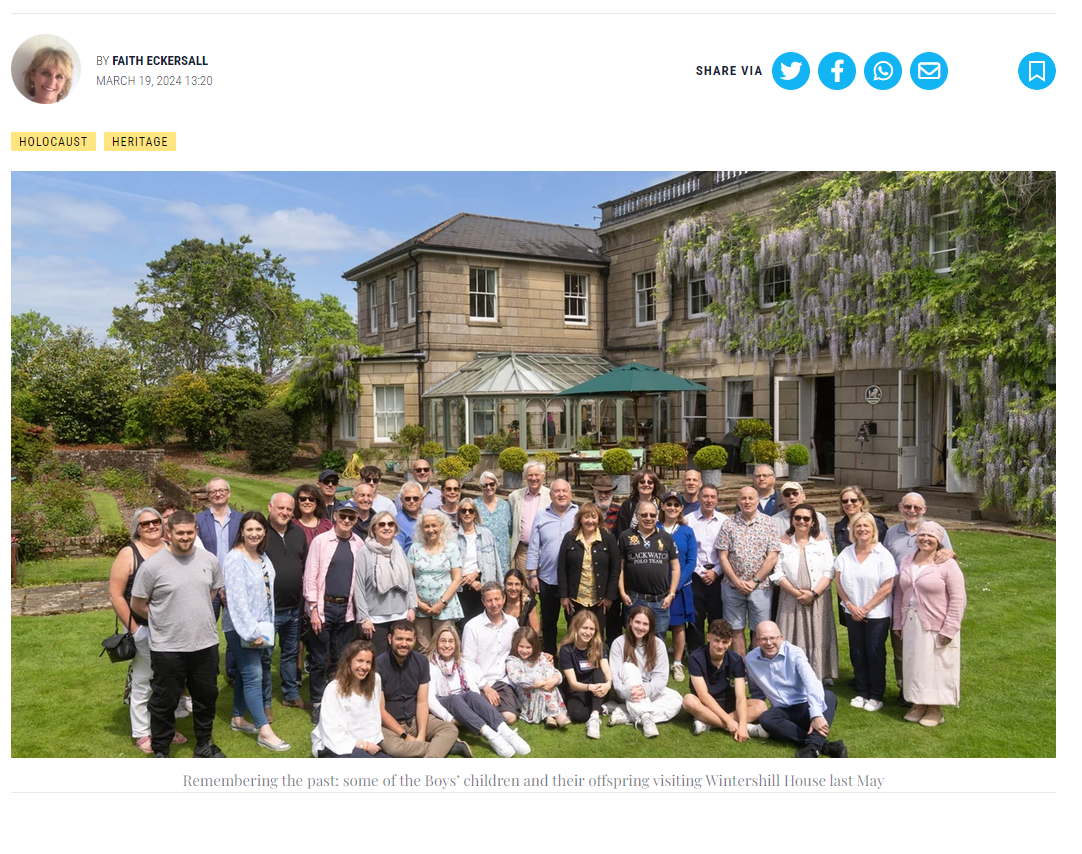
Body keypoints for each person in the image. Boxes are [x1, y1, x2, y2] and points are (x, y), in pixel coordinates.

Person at [129, 510, 226, 758]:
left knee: (206, 698)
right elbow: (137, 603)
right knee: (164, 701)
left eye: (189, 532)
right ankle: (161, 749)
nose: (185, 537)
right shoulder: (153, 567)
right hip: (168, 647)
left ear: (196, 531)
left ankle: (204, 745)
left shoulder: (209, 560)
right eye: (179, 533)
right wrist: (165, 615)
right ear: (168, 533)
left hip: (204, 644)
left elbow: (210, 595)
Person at [108, 507, 177, 754]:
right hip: (144, 628)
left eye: (155, 521)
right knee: (144, 680)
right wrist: (136, 630)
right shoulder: (129, 553)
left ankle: (164, 728)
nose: (151, 526)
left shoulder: (171, 548)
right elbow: (116, 596)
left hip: (173, 629)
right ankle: (141, 731)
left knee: (169, 682)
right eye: (144, 523)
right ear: (137, 528)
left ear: (162, 524)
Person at [221, 511, 290, 751]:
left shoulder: (261, 557)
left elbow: (266, 595)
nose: (254, 533)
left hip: (261, 628)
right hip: (242, 629)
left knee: (245, 674)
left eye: (259, 529)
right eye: (250, 529)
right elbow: (237, 601)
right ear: (242, 531)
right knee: (253, 676)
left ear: (264, 532)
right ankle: (264, 730)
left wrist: (265, 628)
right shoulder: (235, 558)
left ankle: (238, 718)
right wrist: (251, 632)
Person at [882, 492, 957, 705]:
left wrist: (951, 554)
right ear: (900, 507)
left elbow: (948, 554)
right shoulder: (892, 533)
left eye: (916, 507)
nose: (912, 511)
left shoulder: (933, 531)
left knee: (926, 650)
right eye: (907, 507)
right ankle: (905, 688)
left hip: (929, 601)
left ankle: (928, 695)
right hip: (900, 598)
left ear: (924, 509)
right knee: (901, 649)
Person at [893, 521, 967, 727]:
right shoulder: (908, 560)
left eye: (931, 536)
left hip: (936, 623)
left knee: (935, 665)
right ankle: (919, 703)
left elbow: (958, 598)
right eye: (922, 535)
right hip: (910, 621)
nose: (925, 539)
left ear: (939, 541)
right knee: (915, 664)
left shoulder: (947, 564)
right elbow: (900, 593)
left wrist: (950, 628)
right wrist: (898, 622)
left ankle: (935, 709)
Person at [743, 621, 847, 758]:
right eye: (763, 639)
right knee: (766, 718)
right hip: (783, 712)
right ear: (757, 640)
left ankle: (812, 748)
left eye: (772, 638)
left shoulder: (795, 653)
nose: (768, 643)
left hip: (806, 707)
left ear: (780, 638)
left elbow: (811, 681)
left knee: (829, 697)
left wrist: (816, 714)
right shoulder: (751, 660)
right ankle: (823, 746)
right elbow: (756, 690)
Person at [425, 625, 531, 757]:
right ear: (436, 643)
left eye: (451, 641)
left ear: (456, 644)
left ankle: (505, 731)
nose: (447, 645)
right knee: (455, 698)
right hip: (446, 703)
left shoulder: (462, 662)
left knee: (471, 694)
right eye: (443, 641)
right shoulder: (430, 665)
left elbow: (474, 686)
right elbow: (429, 699)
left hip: (464, 702)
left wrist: (480, 701)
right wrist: (450, 718)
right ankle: (491, 735)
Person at [305, 500, 364, 724]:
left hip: (346, 609)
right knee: (319, 659)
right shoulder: (321, 541)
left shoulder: (359, 543)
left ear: (356, 520)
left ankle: (337, 699)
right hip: (323, 607)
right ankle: (318, 703)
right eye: (343, 516)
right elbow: (311, 576)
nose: (347, 521)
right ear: (336, 517)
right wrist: (313, 610)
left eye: (352, 517)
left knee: (341, 659)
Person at [834, 512, 898, 713]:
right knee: (858, 653)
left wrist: (866, 608)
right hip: (852, 612)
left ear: (873, 530)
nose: (862, 529)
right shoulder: (846, 554)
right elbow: (838, 582)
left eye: (866, 526)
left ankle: (876, 695)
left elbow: (887, 586)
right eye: (858, 526)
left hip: (876, 614)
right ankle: (862, 691)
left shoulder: (882, 554)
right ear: (853, 530)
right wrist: (850, 606)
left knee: (875, 653)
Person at [376, 621, 466, 758]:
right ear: (390, 639)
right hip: (389, 725)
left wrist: (421, 735)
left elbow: (422, 702)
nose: (404, 643)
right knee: (394, 748)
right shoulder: (378, 664)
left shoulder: (422, 662)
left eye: (408, 639)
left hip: (414, 720)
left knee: (450, 729)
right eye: (399, 638)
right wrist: (405, 736)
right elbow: (380, 710)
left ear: (414, 640)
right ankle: (443, 747)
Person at [771, 503, 839, 683]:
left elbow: (829, 571)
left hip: (818, 598)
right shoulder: (783, 544)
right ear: (792, 520)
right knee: (792, 634)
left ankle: (821, 672)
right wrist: (796, 593)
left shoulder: (823, 543)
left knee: (818, 634)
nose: (802, 521)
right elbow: (777, 573)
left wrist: (814, 593)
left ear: (813, 522)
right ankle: (791, 672)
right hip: (790, 597)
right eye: (798, 518)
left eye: (806, 518)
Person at [716, 486, 781, 656]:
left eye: (751, 498)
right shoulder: (728, 524)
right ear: (738, 501)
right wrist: (736, 581)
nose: (747, 502)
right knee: (735, 629)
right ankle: (740, 669)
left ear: (757, 501)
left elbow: (772, 557)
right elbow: (723, 556)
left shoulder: (769, 523)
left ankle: (755, 669)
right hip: (732, 587)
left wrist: (754, 581)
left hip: (761, 587)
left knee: (760, 631)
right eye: (743, 498)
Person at [265, 492, 311, 711]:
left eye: (289, 509)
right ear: (270, 507)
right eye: (280, 508)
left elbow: (303, 565)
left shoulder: (298, 534)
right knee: (264, 657)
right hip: (268, 609)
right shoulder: (260, 532)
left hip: (294, 608)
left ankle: (290, 694)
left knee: (290, 653)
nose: (284, 512)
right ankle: (264, 701)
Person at [607, 605, 682, 737]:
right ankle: (646, 718)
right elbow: (616, 680)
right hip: (628, 693)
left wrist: (645, 690)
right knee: (629, 667)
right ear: (630, 622)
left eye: (645, 624)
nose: (640, 627)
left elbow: (661, 678)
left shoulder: (658, 644)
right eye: (637, 622)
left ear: (651, 626)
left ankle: (628, 716)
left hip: (648, 691)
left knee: (677, 700)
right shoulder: (619, 643)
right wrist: (629, 692)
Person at [525, 479, 578, 656]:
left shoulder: (578, 514)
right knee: (548, 622)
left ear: (571, 494)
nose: (561, 494)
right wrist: (532, 574)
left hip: (573, 580)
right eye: (557, 491)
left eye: (564, 491)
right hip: (548, 578)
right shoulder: (541, 516)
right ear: (550, 495)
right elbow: (533, 546)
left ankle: (572, 658)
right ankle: (549, 658)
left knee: (574, 621)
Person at [353, 510, 417, 656]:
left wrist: (412, 607)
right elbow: (359, 587)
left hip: (400, 615)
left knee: (399, 658)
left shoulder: (399, 550)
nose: (386, 527)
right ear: (374, 528)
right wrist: (364, 618)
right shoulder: (365, 552)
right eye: (381, 524)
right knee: (379, 659)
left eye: (390, 524)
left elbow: (409, 581)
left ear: (395, 528)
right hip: (375, 619)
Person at [311, 640, 390, 758]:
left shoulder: (375, 680)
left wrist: (370, 743)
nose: (364, 667)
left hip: (367, 742)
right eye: (360, 661)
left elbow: (373, 715)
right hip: (335, 745)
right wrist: (365, 746)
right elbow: (333, 732)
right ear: (349, 662)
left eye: (368, 662)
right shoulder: (334, 689)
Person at [618, 501, 681, 639]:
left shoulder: (666, 538)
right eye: (644, 515)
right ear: (637, 515)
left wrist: (671, 594)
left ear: (657, 516)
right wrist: (622, 593)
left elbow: (676, 568)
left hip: (660, 600)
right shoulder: (625, 536)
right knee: (633, 638)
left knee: (658, 638)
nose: (648, 518)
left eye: (652, 515)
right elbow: (620, 568)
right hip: (634, 599)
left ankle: (655, 662)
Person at [461, 582, 521, 724]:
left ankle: (485, 714)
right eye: (489, 600)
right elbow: (467, 663)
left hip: (503, 681)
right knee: (488, 712)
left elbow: (520, 651)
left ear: (504, 599)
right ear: (483, 602)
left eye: (497, 599)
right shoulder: (472, 627)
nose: (494, 604)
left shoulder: (512, 623)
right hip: (480, 682)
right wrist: (486, 688)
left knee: (510, 718)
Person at [682, 619, 749, 740]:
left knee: (760, 706)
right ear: (708, 638)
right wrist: (729, 721)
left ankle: (708, 724)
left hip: (726, 699)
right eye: (716, 640)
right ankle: (737, 727)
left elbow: (740, 696)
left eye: (724, 642)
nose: (720, 646)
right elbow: (703, 695)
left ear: (730, 642)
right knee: (688, 701)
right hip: (704, 703)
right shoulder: (696, 657)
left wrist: (743, 726)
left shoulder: (736, 659)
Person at [407, 510, 464, 649]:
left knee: (444, 646)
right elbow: (408, 578)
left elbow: (456, 579)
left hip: (445, 607)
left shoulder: (451, 548)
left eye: (434, 525)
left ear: (441, 526)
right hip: (421, 607)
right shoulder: (415, 549)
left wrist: (441, 603)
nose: (430, 530)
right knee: (423, 647)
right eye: (426, 526)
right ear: (422, 528)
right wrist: (418, 603)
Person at [557, 501, 620, 625]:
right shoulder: (569, 537)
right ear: (580, 519)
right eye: (586, 517)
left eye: (593, 517)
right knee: (575, 634)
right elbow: (561, 567)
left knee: (596, 635)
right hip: (576, 598)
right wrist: (564, 596)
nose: (590, 521)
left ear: (599, 519)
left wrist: (609, 597)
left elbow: (615, 568)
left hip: (599, 599)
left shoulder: (608, 538)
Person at [659, 491, 697, 680]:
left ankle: (677, 662)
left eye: (676, 505)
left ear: (681, 508)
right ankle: (659, 662)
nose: (672, 508)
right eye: (669, 504)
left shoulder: (687, 531)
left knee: (678, 626)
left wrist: (676, 585)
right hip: (657, 587)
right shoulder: (655, 528)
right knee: (657, 626)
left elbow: (691, 561)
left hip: (680, 588)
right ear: (663, 506)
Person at [559, 610, 613, 740]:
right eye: (584, 628)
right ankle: (604, 707)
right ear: (576, 627)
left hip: (598, 686)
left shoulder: (598, 645)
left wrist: (608, 684)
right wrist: (590, 688)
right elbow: (573, 683)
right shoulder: (566, 649)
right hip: (578, 688)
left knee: (598, 672)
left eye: (592, 629)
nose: (588, 632)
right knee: (577, 715)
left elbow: (606, 669)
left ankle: (594, 717)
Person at [685, 483, 724, 652]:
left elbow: (728, 552)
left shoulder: (725, 521)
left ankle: (716, 651)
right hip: (695, 575)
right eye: (705, 496)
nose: (709, 500)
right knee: (696, 617)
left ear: (717, 499)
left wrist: (715, 571)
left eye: (712, 497)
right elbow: (687, 550)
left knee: (717, 616)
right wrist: (701, 571)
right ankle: (696, 653)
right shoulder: (688, 520)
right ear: (699, 498)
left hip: (719, 574)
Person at [506, 627, 571, 727]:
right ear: (516, 645)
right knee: (541, 688)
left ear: (534, 647)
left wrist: (554, 680)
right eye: (521, 646)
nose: (524, 650)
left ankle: (549, 716)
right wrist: (536, 682)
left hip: (544, 687)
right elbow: (516, 677)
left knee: (548, 685)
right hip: (526, 694)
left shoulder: (541, 656)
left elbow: (553, 671)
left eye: (528, 647)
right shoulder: (513, 660)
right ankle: (557, 714)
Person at [455, 498, 501, 624]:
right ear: (459, 514)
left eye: (471, 510)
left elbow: (495, 563)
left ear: (475, 514)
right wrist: (469, 580)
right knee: (464, 624)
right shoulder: (452, 538)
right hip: (461, 585)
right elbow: (450, 566)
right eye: (463, 510)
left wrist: (476, 573)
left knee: (485, 623)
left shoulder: (486, 534)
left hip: (483, 583)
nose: (467, 513)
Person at [508, 460, 551, 572]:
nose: (533, 478)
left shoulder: (551, 496)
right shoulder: (515, 496)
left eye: (536, 475)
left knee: (544, 584)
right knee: (525, 587)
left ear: (543, 475)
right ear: (525, 476)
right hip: (523, 551)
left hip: (546, 550)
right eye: (530, 475)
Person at [476, 470, 513, 578]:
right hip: (483, 559)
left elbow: (510, 530)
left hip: (502, 558)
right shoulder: (475, 505)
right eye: (485, 485)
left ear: (496, 485)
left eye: (492, 484)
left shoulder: (505, 506)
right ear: (481, 487)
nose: (488, 487)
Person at [772, 482, 832, 546]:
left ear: (803, 496)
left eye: (795, 493)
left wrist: (824, 540)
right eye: (787, 494)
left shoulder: (819, 518)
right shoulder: (774, 521)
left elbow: (831, 548)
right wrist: (779, 542)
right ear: (783, 499)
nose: (791, 497)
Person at [833, 486, 888, 551]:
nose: (849, 503)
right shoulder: (839, 528)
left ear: (861, 502)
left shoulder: (877, 525)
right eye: (845, 501)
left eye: (853, 500)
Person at [615, 470, 664, 534]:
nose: (646, 484)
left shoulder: (661, 504)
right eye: (642, 482)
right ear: (636, 484)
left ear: (654, 485)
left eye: (650, 482)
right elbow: (621, 531)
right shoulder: (628, 505)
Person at [503, 568, 540, 632]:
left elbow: (535, 630)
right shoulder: (498, 602)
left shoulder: (528, 602)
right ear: (504, 585)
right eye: (510, 584)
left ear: (522, 586)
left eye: (517, 584)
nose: (513, 588)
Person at [395, 482, 425, 552]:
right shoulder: (396, 522)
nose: (412, 501)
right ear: (401, 500)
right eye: (407, 498)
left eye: (415, 498)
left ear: (422, 500)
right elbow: (397, 552)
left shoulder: (428, 517)